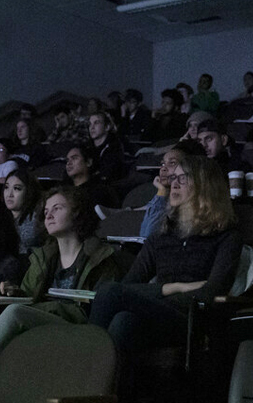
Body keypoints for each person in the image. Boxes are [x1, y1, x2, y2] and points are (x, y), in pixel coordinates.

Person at [88, 156, 241, 381]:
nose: (174, 184)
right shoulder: (160, 236)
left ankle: (82, 378)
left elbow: (212, 293)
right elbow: (129, 285)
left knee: (109, 292)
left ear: (204, 185)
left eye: (183, 178)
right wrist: (173, 287)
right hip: (156, 313)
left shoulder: (227, 237)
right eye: (173, 178)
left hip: (192, 321)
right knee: (123, 322)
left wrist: (158, 294)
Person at [0, 186, 122, 367]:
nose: (48, 216)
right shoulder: (43, 257)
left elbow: (99, 310)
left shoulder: (99, 257)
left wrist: (43, 307)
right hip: (44, 322)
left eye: (57, 209)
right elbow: (28, 296)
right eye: (46, 211)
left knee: (14, 313)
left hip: (78, 328)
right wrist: (13, 291)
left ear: (76, 213)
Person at [138, 141, 206, 238]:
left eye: (172, 163)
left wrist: (161, 193)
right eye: (162, 164)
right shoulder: (165, 195)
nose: (163, 169)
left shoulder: (196, 205)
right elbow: (145, 237)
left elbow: (150, 236)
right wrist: (161, 192)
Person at [3, 166, 44, 254]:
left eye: (17, 188)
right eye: (6, 187)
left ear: (28, 192)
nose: (9, 194)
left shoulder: (36, 217)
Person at [64, 144, 119, 209]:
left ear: (88, 162)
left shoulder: (100, 191)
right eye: (67, 160)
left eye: (74, 158)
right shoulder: (64, 190)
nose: (69, 163)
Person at [88, 111, 128, 182]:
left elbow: (107, 175)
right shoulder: (86, 146)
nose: (92, 127)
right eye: (90, 124)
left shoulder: (114, 147)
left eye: (96, 123)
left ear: (107, 127)